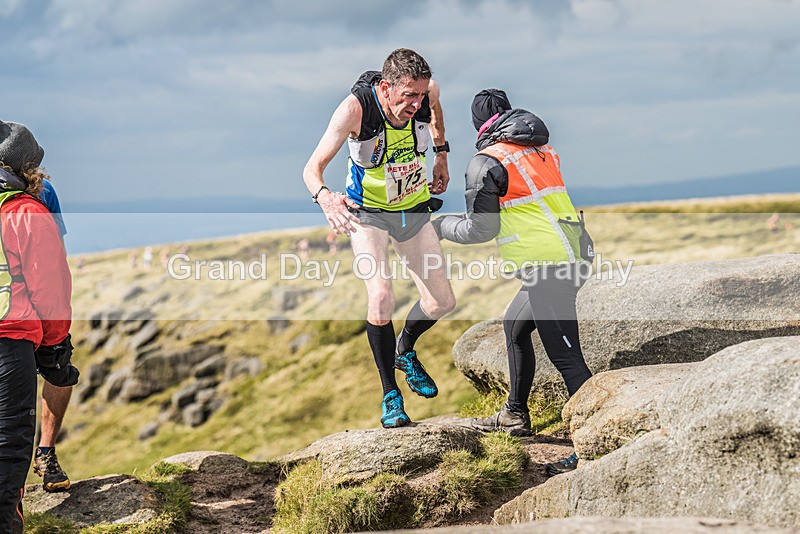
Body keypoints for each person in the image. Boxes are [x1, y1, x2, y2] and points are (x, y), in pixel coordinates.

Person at [433, 90, 594, 476]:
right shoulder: (540, 150)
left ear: (477, 125)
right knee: (515, 327)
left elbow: (480, 229)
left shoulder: (487, 161)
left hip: (549, 266)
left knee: (568, 359)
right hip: (571, 252)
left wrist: (439, 226)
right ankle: (515, 416)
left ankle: (593, 444)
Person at [303, 48, 455, 428]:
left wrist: (441, 155)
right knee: (382, 296)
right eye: (409, 97)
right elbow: (311, 169)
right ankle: (390, 394)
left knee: (441, 302)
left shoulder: (427, 93)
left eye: (420, 95)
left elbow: (435, 111)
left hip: (413, 209)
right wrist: (325, 199)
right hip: (367, 214)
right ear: (386, 88)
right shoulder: (355, 110)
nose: (416, 103)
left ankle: (405, 349)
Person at [0, 120, 74, 533]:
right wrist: (54, 343)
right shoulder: (28, 209)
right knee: (8, 452)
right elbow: (50, 279)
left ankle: (46, 454)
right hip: (12, 342)